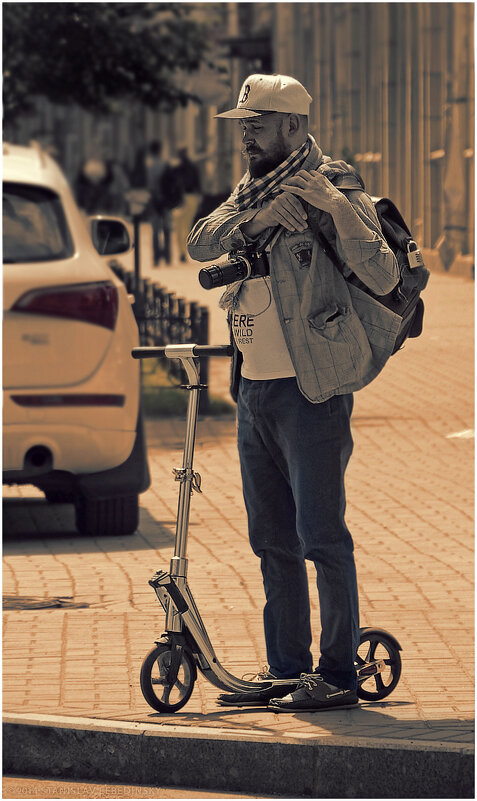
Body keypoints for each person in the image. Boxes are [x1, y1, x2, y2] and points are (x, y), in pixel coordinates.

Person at [187, 74, 400, 712]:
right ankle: (287, 668)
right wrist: (257, 218)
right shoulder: (253, 189)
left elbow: (383, 269)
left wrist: (333, 208)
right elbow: (201, 240)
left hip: (313, 393)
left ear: (293, 126)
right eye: (242, 125)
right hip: (254, 389)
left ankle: (337, 675)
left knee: (321, 537)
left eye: (256, 124)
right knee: (271, 540)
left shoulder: (336, 182)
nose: (246, 136)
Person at [144, 140, 173, 266]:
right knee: (166, 228)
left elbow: (149, 185)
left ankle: (156, 258)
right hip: (166, 201)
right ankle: (167, 256)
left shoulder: (149, 166)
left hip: (154, 200)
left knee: (155, 230)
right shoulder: (165, 164)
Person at [174, 147, 202, 262]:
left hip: (180, 199)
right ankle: (185, 251)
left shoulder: (177, 169)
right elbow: (198, 184)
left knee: (179, 227)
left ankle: (181, 251)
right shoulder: (193, 168)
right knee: (187, 225)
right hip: (192, 198)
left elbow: (173, 186)